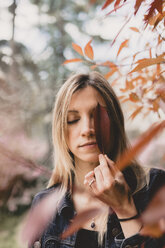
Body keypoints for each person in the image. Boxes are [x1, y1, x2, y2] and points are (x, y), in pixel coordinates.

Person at [30, 71, 165, 248]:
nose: (88, 128)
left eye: (98, 117)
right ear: (60, 130)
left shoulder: (156, 187)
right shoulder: (43, 206)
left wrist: (125, 208)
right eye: (73, 119)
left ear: (115, 122)